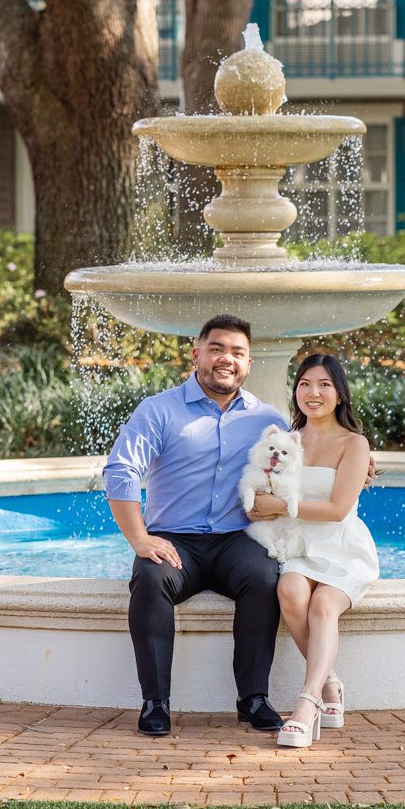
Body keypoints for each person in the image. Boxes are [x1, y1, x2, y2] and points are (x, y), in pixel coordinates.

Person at [104, 314, 289, 737]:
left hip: (235, 542)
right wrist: (139, 537)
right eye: (217, 349)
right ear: (196, 355)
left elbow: (308, 452)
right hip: (173, 542)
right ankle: (155, 703)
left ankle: (254, 699)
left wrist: (360, 461)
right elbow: (120, 470)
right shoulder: (158, 410)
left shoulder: (267, 418)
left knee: (265, 576)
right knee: (151, 579)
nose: (227, 359)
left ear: (249, 363)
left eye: (237, 352)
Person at [248, 352, 379, 748]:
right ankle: (331, 682)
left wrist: (281, 506)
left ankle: (307, 704)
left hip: (340, 546)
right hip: (297, 543)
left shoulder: (354, 444)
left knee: (323, 606)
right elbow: (260, 491)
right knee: (289, 591)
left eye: (324, 384)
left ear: (339, 393)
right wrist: (261, 502)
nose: (313, 392)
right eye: (305, 384)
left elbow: (339, 509)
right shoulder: (287, 441)